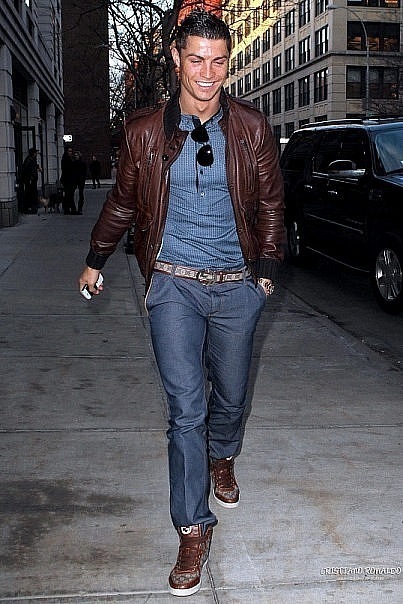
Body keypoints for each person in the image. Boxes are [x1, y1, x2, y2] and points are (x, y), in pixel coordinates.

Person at [79, 10, 284, 597]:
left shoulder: (251, 127)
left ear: (228, 64)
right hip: (173, 284)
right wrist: (96, 257)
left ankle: (224, 456)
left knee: (232, 396)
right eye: (196, 59)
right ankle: (192, 526)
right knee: (185, 409)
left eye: (218, 62)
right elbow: (123, 201)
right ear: (176, 59)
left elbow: (271, 203)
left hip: (236, 284)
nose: (207, 73)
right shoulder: (144, 131)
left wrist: (264, 278)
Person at [21, 148, 41, 214]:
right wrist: (30, 178)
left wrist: (38, 167)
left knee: (32, 193)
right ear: (33, 153)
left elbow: (33, 166)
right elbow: (27, 169)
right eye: (36, 152)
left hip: (32, 179)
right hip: (30, 180)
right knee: (30, 193)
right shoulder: (29, 160)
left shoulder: (32, 159)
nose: (36, 154)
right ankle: (29, 208)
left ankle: (32, 207)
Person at [60, 147, 77, 214]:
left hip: (70, 180)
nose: (70, 153)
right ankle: (69, 209)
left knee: (69, 195)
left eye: (71, 151)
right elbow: (66, 170)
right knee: (69, 195)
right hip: (67, 180)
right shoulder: (65, 159)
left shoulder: (70, 159)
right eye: (69, 151)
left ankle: (69, 208)